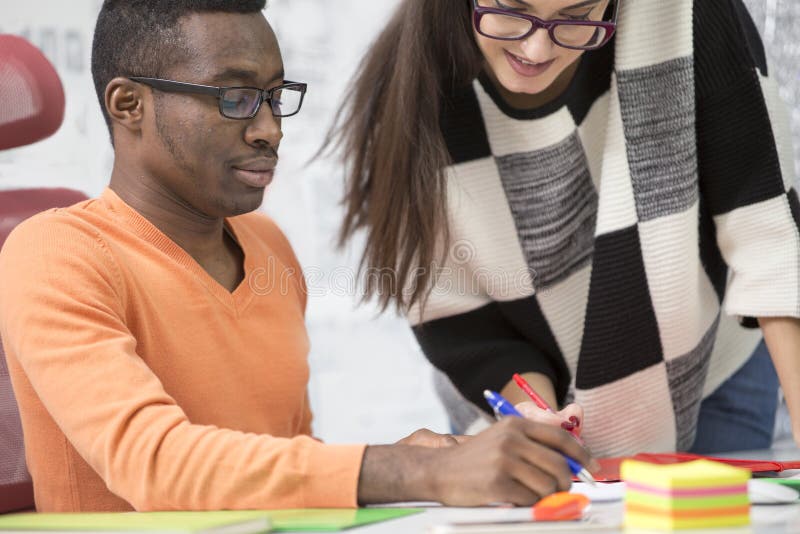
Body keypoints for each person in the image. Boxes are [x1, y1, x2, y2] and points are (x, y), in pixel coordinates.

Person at [0, 0, 595, 513]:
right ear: (129, 104)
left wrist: (418, 462)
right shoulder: (55, 252)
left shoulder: (267, 246)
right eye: (235, 97)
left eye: (275, 96)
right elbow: (154, 464)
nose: (269, 128)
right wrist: (409, 472)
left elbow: (285, 462)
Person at [330, 0, 800, 455]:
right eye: (512, 9)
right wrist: (534, 416)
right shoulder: (409, 89)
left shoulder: (685, 11)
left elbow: (767, 230)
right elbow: (468, 330)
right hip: (510, 399)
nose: (536, 50)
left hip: (707, 363)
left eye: (577, 17)